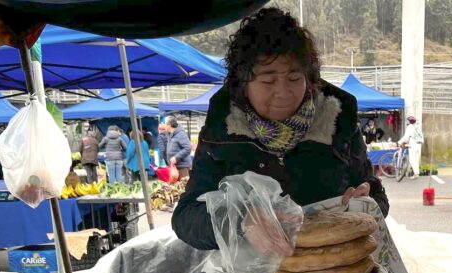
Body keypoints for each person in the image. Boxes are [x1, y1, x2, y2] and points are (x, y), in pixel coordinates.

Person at [172, 7, 388, 251]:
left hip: (332, 267)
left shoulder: (337, 117)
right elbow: (185, 217)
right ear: (243, 84)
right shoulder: (223, 128)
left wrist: (368, 204)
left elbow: (375, 192)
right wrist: (239, 222)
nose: (283, 93)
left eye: (294, 78)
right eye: (268, 80)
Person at [165, 115, 192, 180]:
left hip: (182, 167)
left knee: (183, 186)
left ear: (169, 125)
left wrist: (176, 158)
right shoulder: (170, 135)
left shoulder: (180, 134)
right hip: (175, 167)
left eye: (165, 124)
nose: (163, 125)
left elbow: (188, 148)